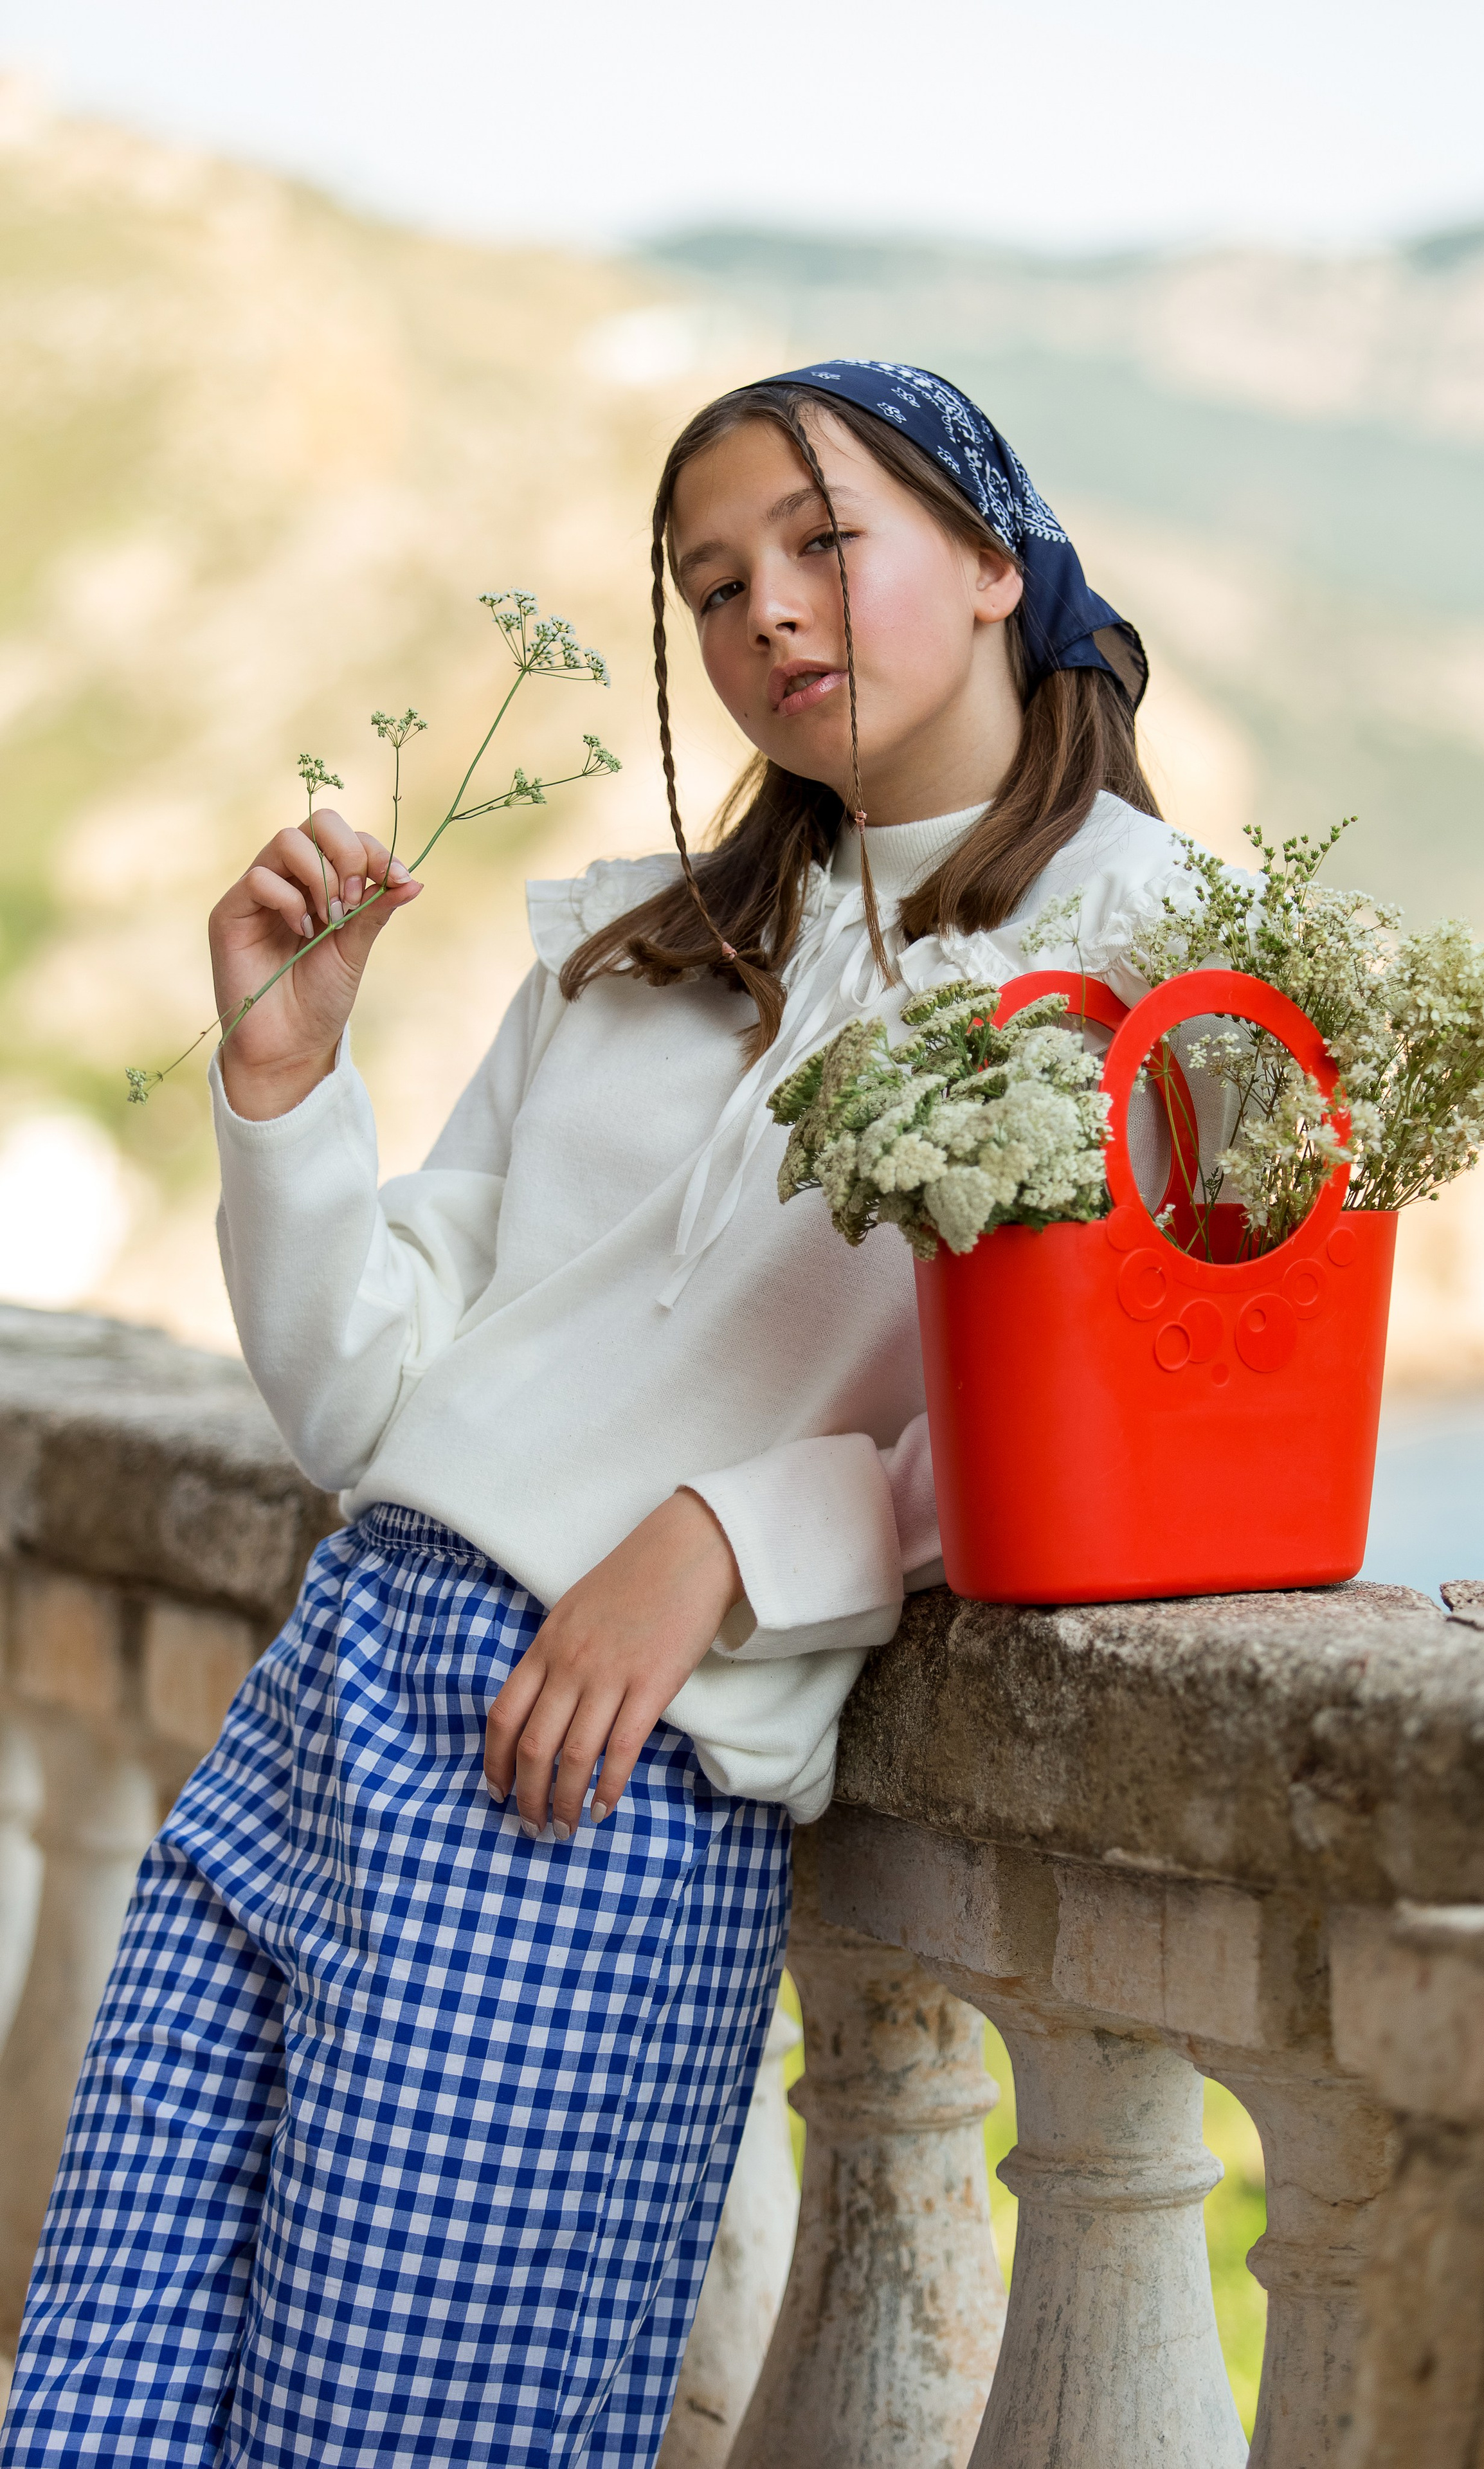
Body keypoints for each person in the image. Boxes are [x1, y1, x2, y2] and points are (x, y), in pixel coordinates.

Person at [1, 362, 1193, 2466]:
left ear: (1000, 559)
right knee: (102, 2402)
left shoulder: (1143, 954)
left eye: (826, 545)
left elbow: (1122, 1419)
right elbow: (367, 1391)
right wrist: (285, 1094)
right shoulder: (641, 945)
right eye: (715, 584)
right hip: (333, 1685)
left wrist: (737, 1538)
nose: (769, 619)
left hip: (586, 1780)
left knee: (396, 2442)